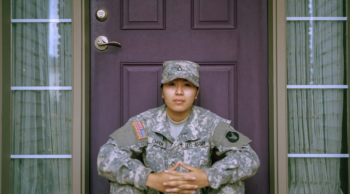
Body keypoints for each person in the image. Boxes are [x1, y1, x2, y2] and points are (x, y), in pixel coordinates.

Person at [97, 60, 260, 194]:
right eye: (172, 84)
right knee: (123, 186)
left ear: (197, 93)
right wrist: (149, 179)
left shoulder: (211, 123)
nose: (179, 92)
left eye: (187, 85)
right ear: (162, 92)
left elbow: (249, 157)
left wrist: (208, 176)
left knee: (231, 186)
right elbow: (106, 156)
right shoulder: (144, 123)